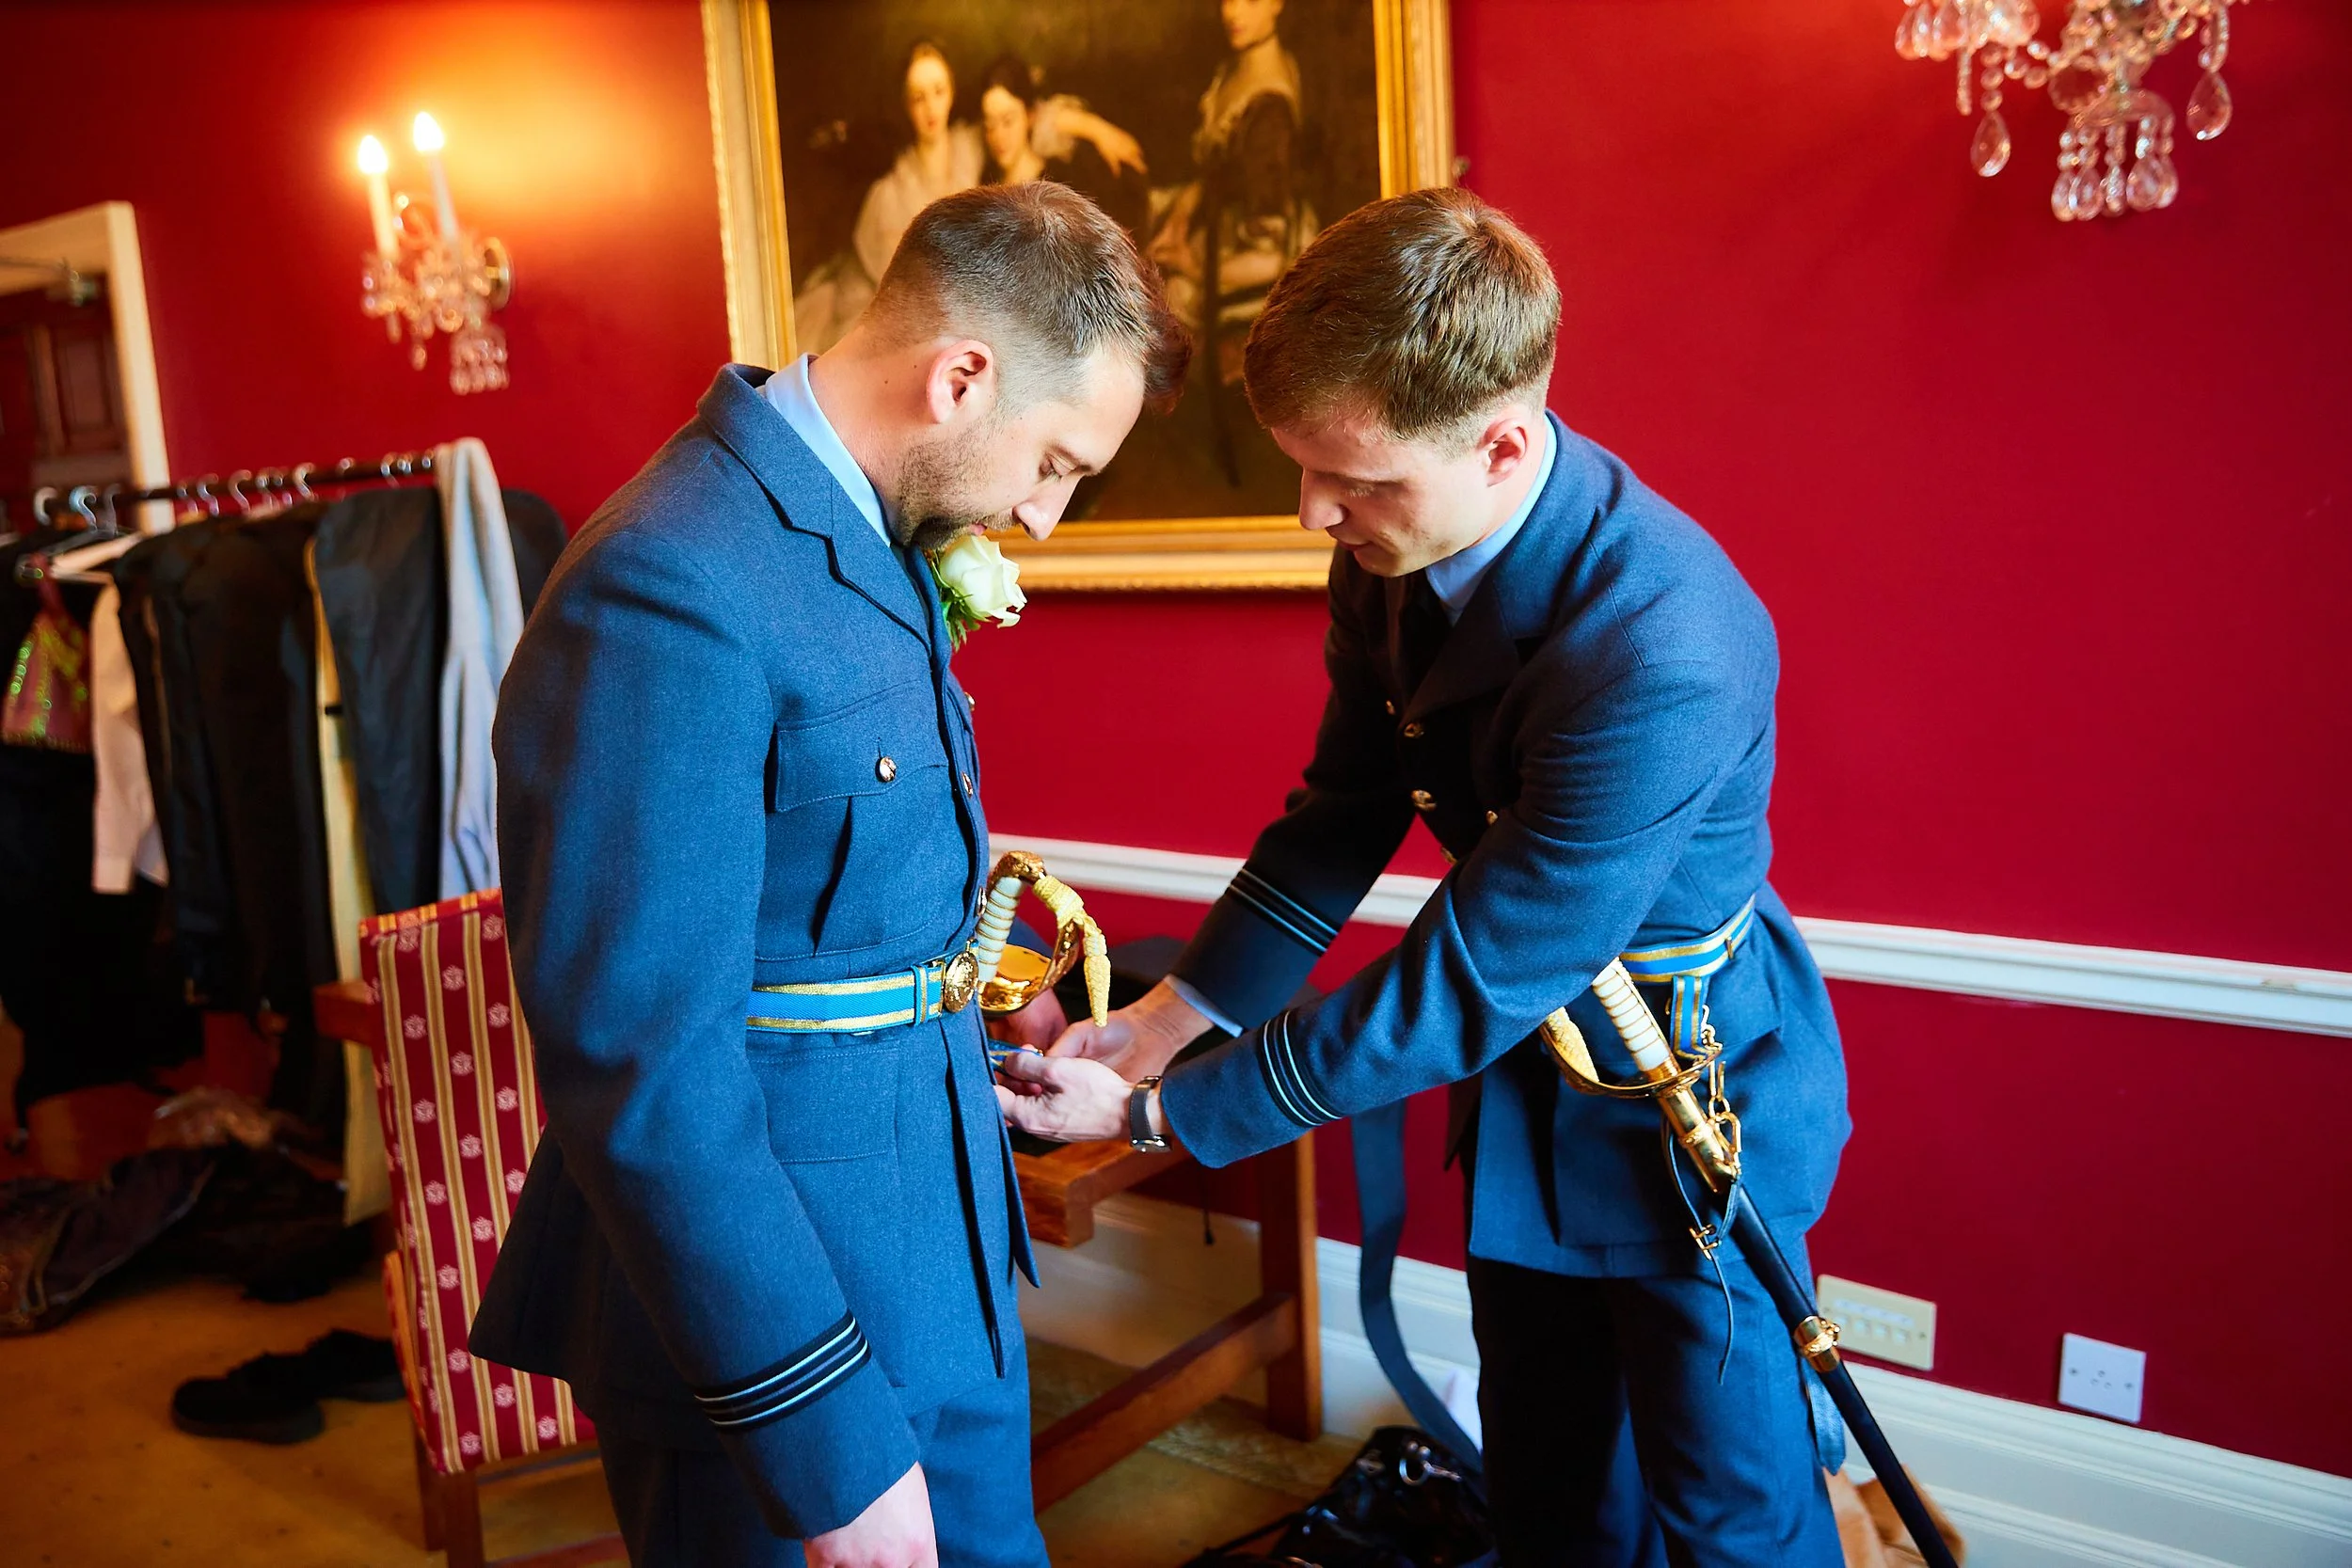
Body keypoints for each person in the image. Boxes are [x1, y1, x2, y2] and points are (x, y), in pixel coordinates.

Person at [998, 188, 1852, 1566]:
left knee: (1732, 1516)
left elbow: (1483, 967)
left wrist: (1160, 1111)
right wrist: (1159, 1020)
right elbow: (1343, 815)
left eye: (1354, 477)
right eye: (1303, 468)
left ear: (1503, 443)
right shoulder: (1392, 555)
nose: (1310, 510)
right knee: (1549, 1478)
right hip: (1529, 1085)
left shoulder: (1667, 637)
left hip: (1689, 1093)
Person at [471, 183, 1188, 1567]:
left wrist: (960, 1008)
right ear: (959, 378)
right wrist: (825, 1442)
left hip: (944, 1256)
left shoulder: (870, 526)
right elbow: (642, 1066)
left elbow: (818, 906)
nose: (1045, 516)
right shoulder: (667, 582)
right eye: (1056, 462)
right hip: (778, 1322)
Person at [977, 55, 1149, 241]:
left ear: (1030, 115)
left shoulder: (1060, 181)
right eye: (989, 125)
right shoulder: (985, 184)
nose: (998, 136)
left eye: (1008, 121)